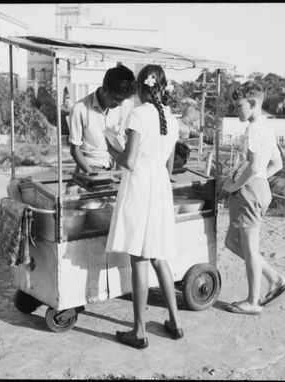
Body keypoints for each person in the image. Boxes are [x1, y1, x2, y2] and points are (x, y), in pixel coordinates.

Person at [105, 64, 183, 349]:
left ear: (139, 88)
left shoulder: (138, 114)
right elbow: (170, 165)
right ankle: (175, 321)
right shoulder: (172, 120)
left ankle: (139, 330)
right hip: (160, 185)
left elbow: (128, 161)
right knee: (158, 256)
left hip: (139, 185)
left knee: (138, 257)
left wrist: (111, 146)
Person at [221, 81, 285, 315]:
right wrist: (259, 180)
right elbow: (276, 164)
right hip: (258, 188)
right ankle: (275, 278)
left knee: (249, 248)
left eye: (239, 105)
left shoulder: (254, 129)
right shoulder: (265, 126)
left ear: (253, 103)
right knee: (231, 242)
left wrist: (233, 186)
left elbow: (253, 166)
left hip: (249, 191)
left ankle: (253, 301)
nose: (236, 110)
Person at [69, 64, 137, 174]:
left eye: (122, 100)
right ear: (105, 89)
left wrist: (119, 176)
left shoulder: (123, 108)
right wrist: (91, 173)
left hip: (111, 172)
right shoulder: (80, 108)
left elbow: (120, 145)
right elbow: (75, 149)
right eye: (117, 99)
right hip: (87, 170)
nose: (119, 104)